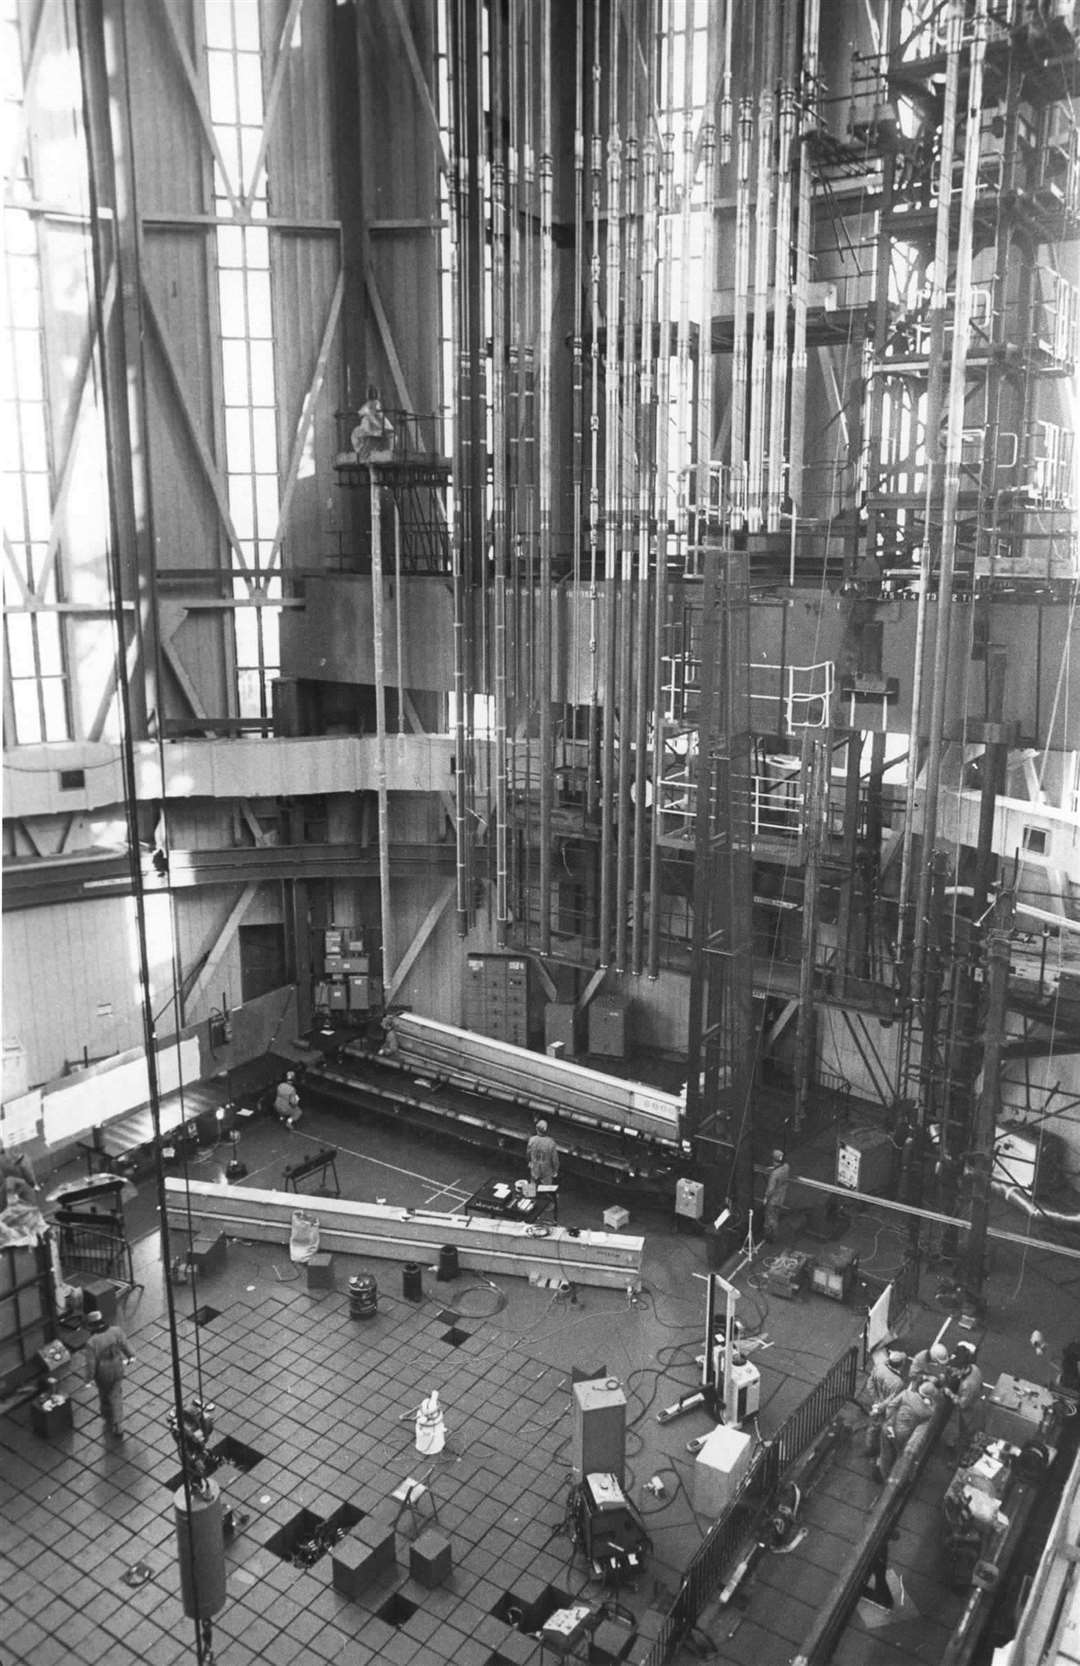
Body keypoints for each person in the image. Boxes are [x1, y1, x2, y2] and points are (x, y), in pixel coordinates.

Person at [84, 1310, 134, 1438]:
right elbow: (125, 1344)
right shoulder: (116, 1331)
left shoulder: (92, 1342)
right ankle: (116, 1421)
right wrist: (131, 1355)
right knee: (116, 1393)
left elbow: (91, 1364)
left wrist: (88, 1379)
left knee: (105, 1393)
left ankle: (111, 1419)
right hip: (117, 1367)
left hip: (102, 1374)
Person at [875, 1379, 938, 1481]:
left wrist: (889, 1421)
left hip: (889, 1429)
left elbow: (891, 1406)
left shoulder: (906, 1394)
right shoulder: (928, 1412)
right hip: (903, 1437)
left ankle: (883, 1473)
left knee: (885, 1452)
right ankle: (891, 1476)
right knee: (898, 1455)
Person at [863, 1348, 907, 1457]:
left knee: (873, 1427)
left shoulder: (879, 1367)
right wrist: (881, 1406)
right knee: (882, 1428)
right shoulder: (898, 1382)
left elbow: (870, 1384)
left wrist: (876, 1400)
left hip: (877, 1402)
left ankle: (870, 1447)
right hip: (885, 1409)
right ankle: (877, 1450)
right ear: (900, 1364)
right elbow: (892, 1400)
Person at [942, 1344, 983, 1455]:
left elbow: (962, 1404)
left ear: (963, 1368)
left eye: (955, 1371)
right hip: (976, 1401)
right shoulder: (974, 1368)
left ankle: (956, 1458)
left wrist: (950, 1394)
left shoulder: (967, 1385)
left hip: (969, 1412)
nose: (954, 1373)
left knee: (964, 1435)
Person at [763, 1149, 790, 1242]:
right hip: (781, 1197)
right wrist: (773, 1168)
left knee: (770, 1218)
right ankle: (774, 1234)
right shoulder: (786, 1167)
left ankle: (770, 1237)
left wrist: (766, 1198)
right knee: (776, 1216)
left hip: (773, 1200)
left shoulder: (774, 1175)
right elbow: (781, 1168)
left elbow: (770, 1189)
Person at [526, 1120, 559, 1187]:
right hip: (546, 1171)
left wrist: (530, 1162)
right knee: (546, 1188)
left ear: (536, 1129)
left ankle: (529, 1196)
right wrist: (555, 1171)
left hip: (535, 1168)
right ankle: (545, 1196)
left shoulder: (532, 1140)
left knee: (532, 1187)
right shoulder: (551, 1143)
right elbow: (555, 1160)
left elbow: (528, 1154)